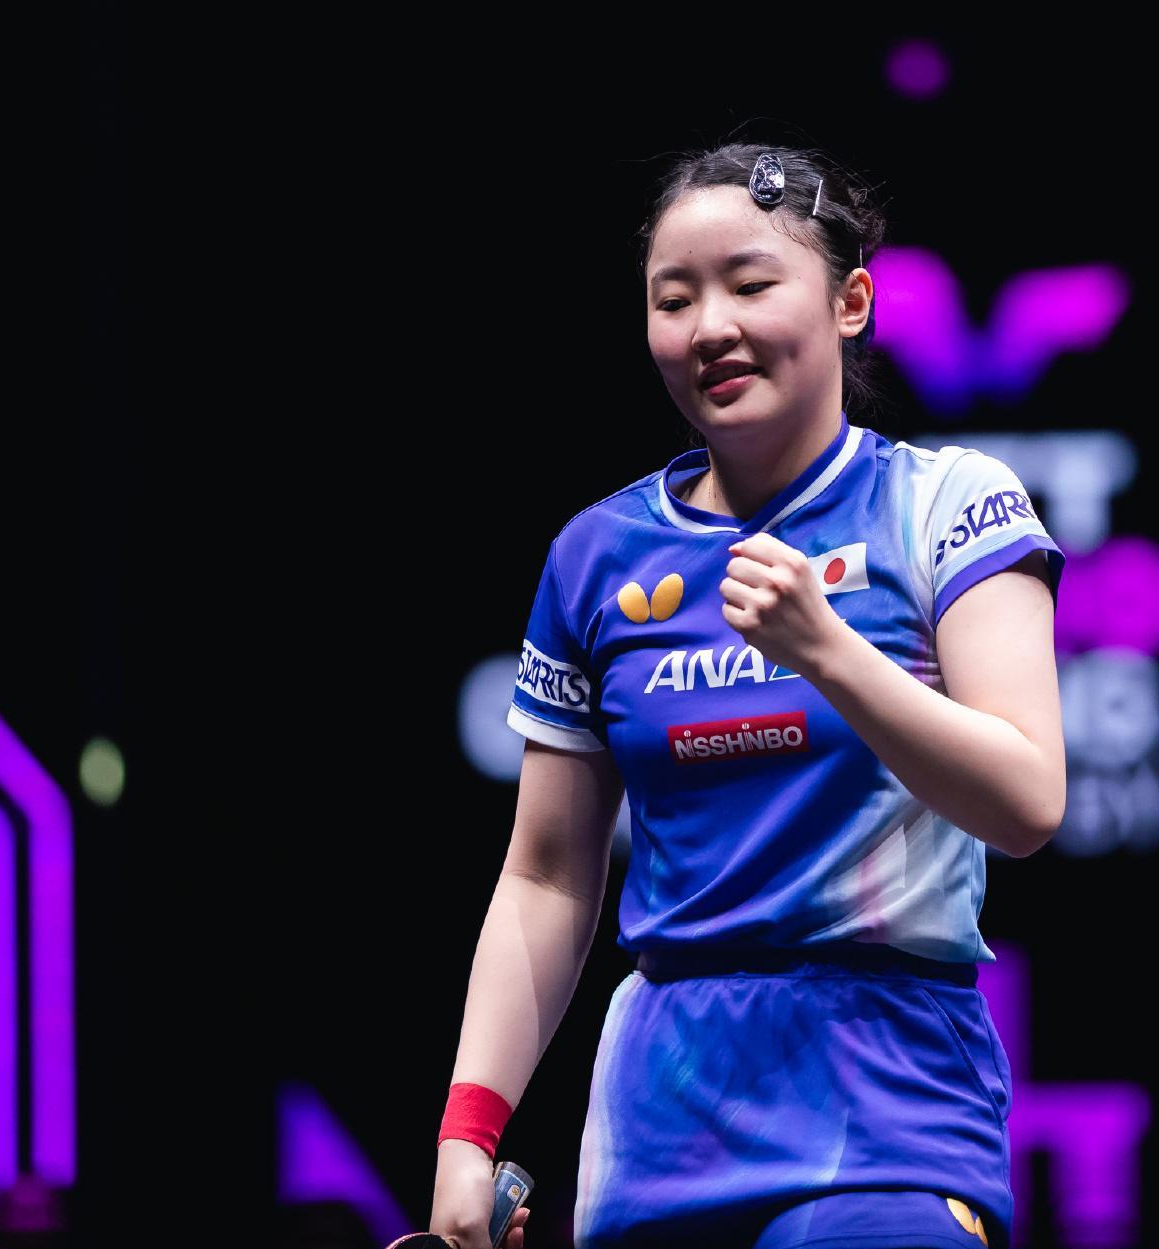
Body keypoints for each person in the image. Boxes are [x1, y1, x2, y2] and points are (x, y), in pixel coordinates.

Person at [429, 139, 1067, 1249]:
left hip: (888, 1094)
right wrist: (465, 1138)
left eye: (749, 284)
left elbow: (1025, 800)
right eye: (673, 300)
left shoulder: (945, 504)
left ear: (850, 303)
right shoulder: (598, 555)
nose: (708, 327)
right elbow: (546, 875)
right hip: (664, 1115)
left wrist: (827, 652)